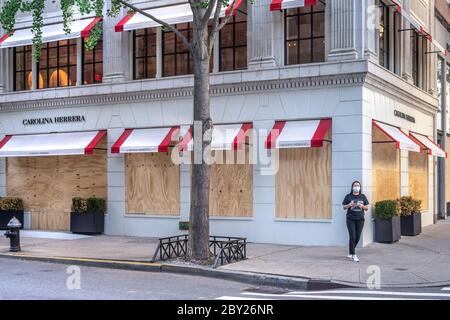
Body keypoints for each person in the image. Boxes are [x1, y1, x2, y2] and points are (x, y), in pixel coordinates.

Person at [342, 181, 369, 262]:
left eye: (358, 185)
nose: (356, 187)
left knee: (357, 237)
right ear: (352, 187)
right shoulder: (348, 196)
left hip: (360, 219)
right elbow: (343, 207)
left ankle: (350, 251)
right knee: (352, 236)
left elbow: (367, 208)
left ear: (360, 187)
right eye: (355, 185)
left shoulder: (363, 196)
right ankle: (353, 255)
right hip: (350, 219)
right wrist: (349, 205)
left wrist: (362, 206)